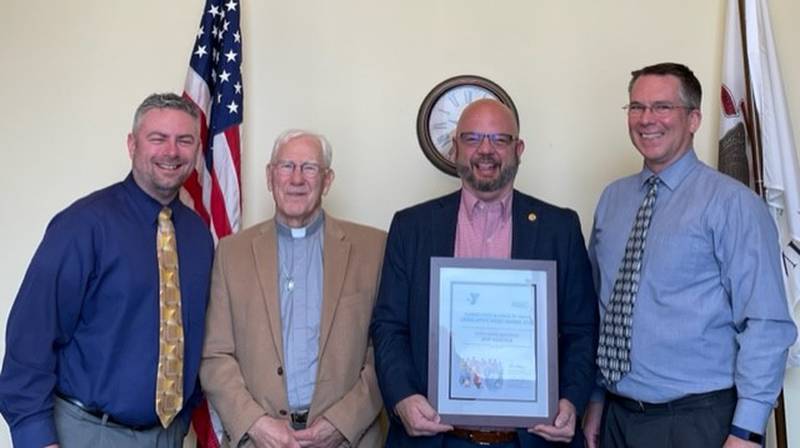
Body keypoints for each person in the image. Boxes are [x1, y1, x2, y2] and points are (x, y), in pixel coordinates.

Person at [582, 62, 798, 448]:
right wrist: (596, 400)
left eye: (663, 107)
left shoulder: (733, 205)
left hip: (699, 422)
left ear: (694, 118)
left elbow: (765, 322)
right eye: (636, 107)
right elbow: (601, 308)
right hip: (618, 418)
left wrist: (746, 430)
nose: (647, 119)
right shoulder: (612, 200)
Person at [371, 99, 598, 447]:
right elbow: (389, 326)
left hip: (532, 438)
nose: (486, 150)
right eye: (473, 138)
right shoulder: (412, 226)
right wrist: (403, 398)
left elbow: (581, 329)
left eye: (500, 139)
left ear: (518, 149)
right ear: (456, 148)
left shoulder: (560, 228)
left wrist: (570, 400)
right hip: (436, 437)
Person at [0, 93, 214, 447]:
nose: (171, 151)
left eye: (184, 140)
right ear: (132, 145)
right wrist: (36, 439)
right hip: (88, 434)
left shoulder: (197, 237)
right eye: (158, 138)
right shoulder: (82, 226)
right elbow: (31, 338)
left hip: (170, 435)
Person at [200, 130, 386, 448]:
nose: (296, 179)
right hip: (260, 441)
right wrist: (255, 424)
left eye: (309, 167)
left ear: (327, 180)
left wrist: (340, 423)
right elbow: (216, 354)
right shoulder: (232, 253)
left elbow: (384, 352)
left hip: (346, 441)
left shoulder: (374, 249)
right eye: (286, 166)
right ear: (270, 177)